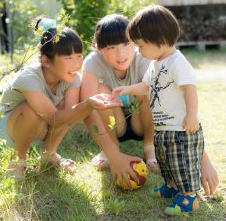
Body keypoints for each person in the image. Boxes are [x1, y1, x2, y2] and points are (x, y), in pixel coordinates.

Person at [81, 13, 218, 194]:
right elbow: (89, 109)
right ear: (98, 49)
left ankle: (149, 148)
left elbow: (176, 106)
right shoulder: (93, 62)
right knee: (100, 93)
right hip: (115, 123)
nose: (121, 53)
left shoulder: (147, 57)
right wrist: (113, 155)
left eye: (127, 44)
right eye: (112, 47)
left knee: (152, 90)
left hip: (145, 123)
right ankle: (110, 149)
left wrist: (203, 160)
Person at [0, 17, 120, 179]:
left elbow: (68, 116)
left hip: (40, 126)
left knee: (68, 109)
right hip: (7, 127)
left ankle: (48, 154)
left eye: (79, 56)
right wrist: (88, 104)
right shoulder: (29, 78)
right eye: (68, 58)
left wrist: (86, 106)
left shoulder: (72, 79)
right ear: (46, 61)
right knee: (31, 110)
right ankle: (18, 160)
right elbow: (53, 118)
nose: (76, 64)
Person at [111, 5, 209, 215]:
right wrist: (127, 88)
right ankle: (172, 187)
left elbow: (189, 88)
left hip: (181, 127)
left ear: (161, 40)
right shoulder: (155, 64)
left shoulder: (177, 62)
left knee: (181, 161)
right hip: (163, 127)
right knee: (166, 160)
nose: (139, 51)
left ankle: (189, 197)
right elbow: (146, 87)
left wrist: (192, 114)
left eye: (141, 45)